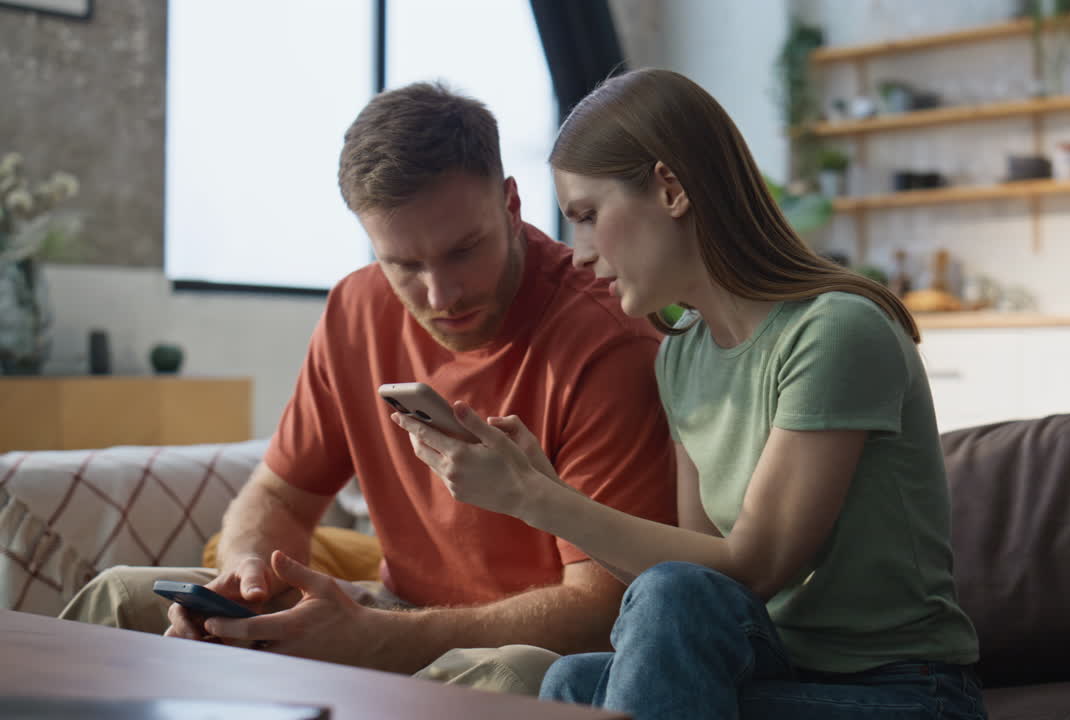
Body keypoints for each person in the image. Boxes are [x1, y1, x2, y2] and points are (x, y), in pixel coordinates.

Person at [391, 68, 988, 719]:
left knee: (662, 606)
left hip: (903, 692)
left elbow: (753, 567)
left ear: (670, 189)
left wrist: (537, 502)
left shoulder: (835, 331)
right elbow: (704, 579)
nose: (580, 253)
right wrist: (547, 489)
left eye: (589, 216)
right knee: (568, 680)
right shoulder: (682, 356)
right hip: (777, 669)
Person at [59, 81, 677, 694]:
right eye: (404, 264)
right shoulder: (355, 308)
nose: (441, 296)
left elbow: (601, 610)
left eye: (464, 250)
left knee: (514, 673)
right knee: (120, 596)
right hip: (385, 612)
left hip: (512, 648)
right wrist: (245, 578)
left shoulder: (607, 342)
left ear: (511, 206)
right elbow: (279, 495)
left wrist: (376, 637)